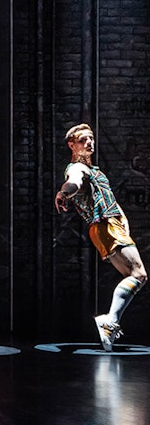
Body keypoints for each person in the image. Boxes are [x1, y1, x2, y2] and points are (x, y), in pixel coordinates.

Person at [55, 123, 146, 351]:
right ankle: (110, 320)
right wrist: (64, 193)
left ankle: (110, 321)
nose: (89, 142)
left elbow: (109, 199)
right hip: (105, 225)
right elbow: (74, 182)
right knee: (139, 274)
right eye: (83, 139)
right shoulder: (77, 168)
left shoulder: (95, 170)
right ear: (72, 145)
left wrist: (123, 221)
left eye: (91, 138)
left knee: (133, 275)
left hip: (110, 226)